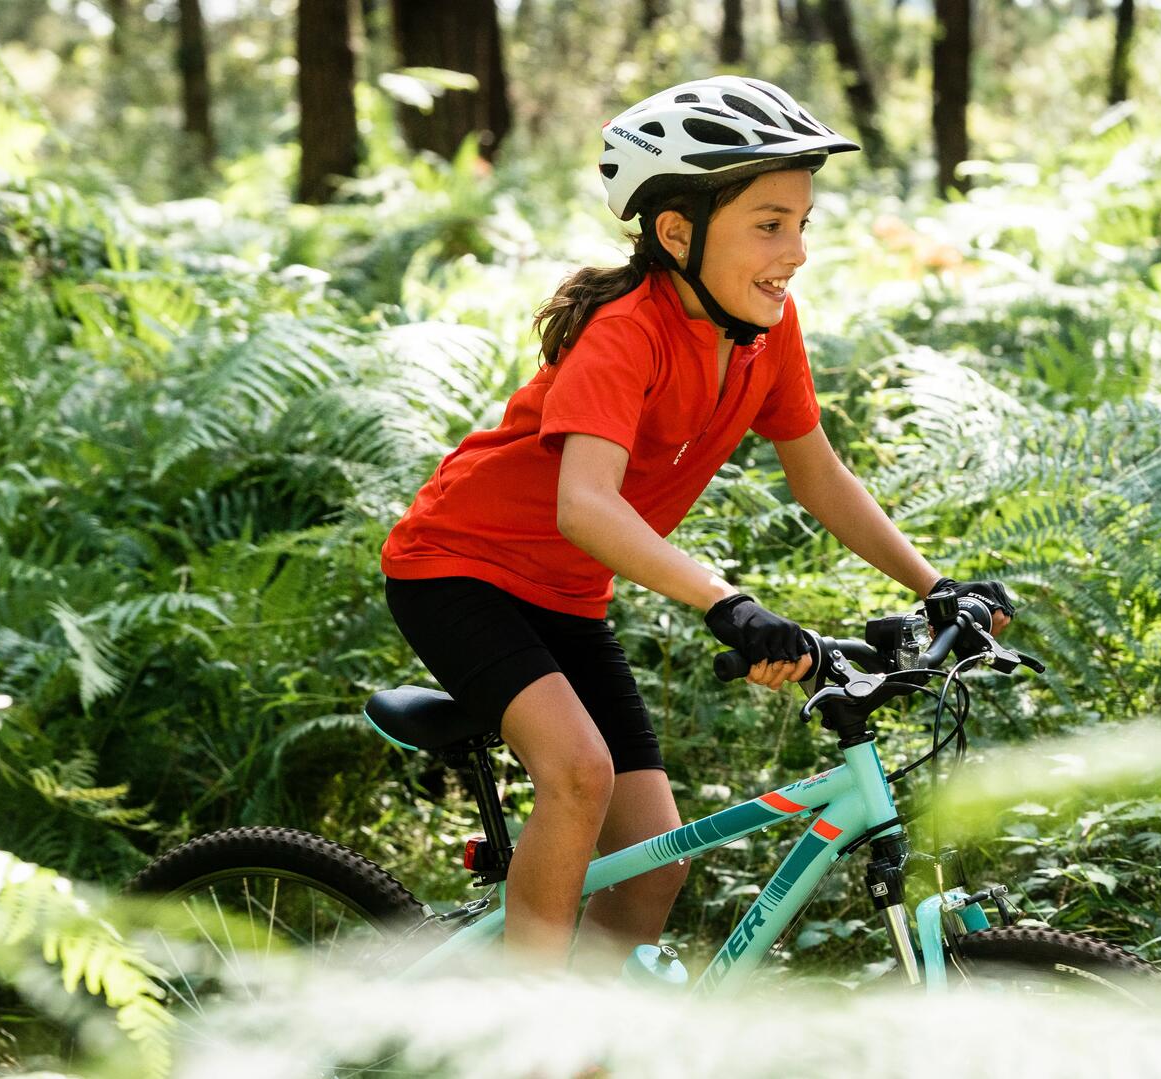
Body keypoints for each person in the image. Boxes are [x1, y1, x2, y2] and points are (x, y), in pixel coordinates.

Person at [379, 76, 1015, 962]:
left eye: (802, 224)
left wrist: (935, 585)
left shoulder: (765, 331)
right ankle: (522, 1035)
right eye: (768, 223)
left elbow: (820, 474)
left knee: (650, 865)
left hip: (565, 594)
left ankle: (595, 1044)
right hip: (457, 570)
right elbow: (585, 503)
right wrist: (731, 603)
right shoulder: (625, 332)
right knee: (578, 775)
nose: (793, 250)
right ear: (676, 231)